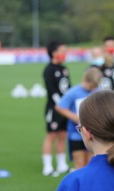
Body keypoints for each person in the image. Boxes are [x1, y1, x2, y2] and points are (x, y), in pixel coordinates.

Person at [55, 67, 102, 171]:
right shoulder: (74, 92)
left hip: (93, 134)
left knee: (92, 164)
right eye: (92, 85)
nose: (93, 88)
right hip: (76, 134)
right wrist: (76, 118)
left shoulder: (99, 91)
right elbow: (60, 107)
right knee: (79, 164)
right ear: (87, 80)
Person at [41, 41, 71, 176]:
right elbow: (51, 90)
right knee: (51, 135)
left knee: (62, 135)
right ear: (54, 53)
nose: (64, 54)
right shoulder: (48, 70)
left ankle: (62, 164)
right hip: (54, 108)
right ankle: (47, 166)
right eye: (62, 51)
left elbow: (68, 89)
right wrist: (60, 105)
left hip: (65, 108)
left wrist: (69, 104)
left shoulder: (64, 69)